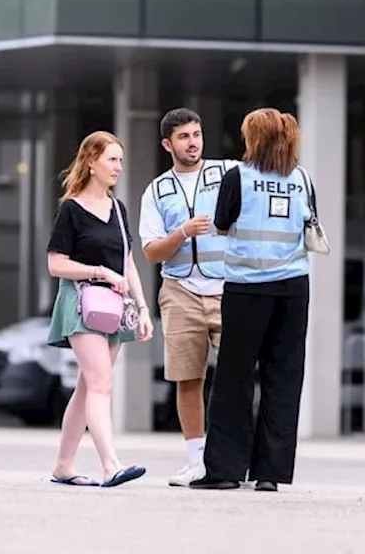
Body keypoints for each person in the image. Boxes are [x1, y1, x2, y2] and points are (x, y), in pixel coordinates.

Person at [189, 108, 314, 492]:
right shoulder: (302, 178)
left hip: (246, 288)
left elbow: (223, 223)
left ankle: (225, 470)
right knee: (284, 377)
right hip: (293, 288)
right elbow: (309, 224)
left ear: (254, 139)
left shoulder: (238, 177)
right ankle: (270, 475)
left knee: (234, 377)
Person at [46, 131, 155, 488]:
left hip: (113, 309)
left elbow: (128, 263)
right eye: (111, 159)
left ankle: (64, 466)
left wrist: (142, 307)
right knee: (101, 383)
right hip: (81, 304)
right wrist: (98, 272)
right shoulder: (71, 209)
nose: (118, 167)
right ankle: (111, 465)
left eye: (120, 160)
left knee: (87, 387)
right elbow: (56, 264)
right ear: (90, 162)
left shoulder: (119, 210)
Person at [139, 108, 238, 485]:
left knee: (236, 378)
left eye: (196, 134)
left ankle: (232, 456)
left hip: (228, 288)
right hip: (180, 290)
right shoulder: (157, 190)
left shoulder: (227, 172)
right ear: (168, 144)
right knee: (187, 379)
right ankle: (196, 459)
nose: (192, 142)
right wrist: (182, 232)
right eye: (183, 137)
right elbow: (150, 252)